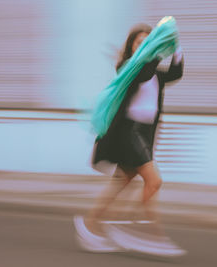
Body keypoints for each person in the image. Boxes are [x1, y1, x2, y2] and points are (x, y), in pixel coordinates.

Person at [74, 20, 185, 257]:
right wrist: (155, 47)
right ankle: (150, 234)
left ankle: (90, 224)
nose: (144, 44)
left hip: (143, 134)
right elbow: (143, 71)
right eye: (140, 41)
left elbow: (176, 73)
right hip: (130, 133)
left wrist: (176, 48)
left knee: (120, 183)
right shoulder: (129, 68)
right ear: (132, 46)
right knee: (154, 182)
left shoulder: (155, 72)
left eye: (148, 40)